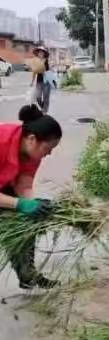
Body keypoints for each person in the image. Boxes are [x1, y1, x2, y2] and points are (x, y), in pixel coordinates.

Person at [0, 104, 62, 289]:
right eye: (48, 148)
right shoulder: (1, 141)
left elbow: (24, 184)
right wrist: (21, 204)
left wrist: (30, 204)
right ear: (32, 139)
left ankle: (27, 274)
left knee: (25, 220)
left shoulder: (31, 153)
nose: (49, 154)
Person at [30, 46, 52, 114]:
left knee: (46, 97)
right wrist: (32, 81)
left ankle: (45, 111)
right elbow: (34, 72)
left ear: (44, 54)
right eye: (39, 53)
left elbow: (47, 70)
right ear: (37, 54)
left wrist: (41, 67)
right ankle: (43, 108)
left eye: (42, 53)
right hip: (39, 81)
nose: (40, 54)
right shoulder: (35, 61)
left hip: (47, 81)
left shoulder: (46, 61)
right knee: (38, 97)